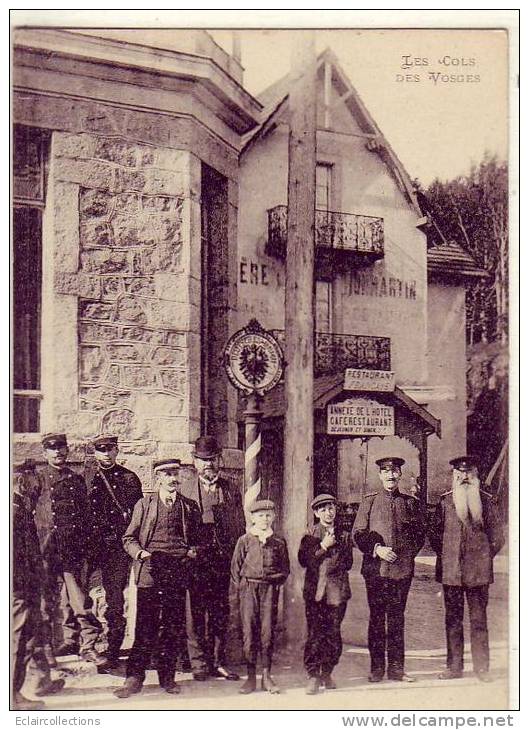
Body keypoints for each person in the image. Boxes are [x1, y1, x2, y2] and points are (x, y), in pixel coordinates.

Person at [114, 459, 202, 698]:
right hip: (151, 571)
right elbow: (128, 539)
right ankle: (134, 677)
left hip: (177, 571)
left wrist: (193, 551)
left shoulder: (189, 506)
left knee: (173, 626)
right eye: (167, 474)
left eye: (176, 474)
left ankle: (167, 677)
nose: (173, 478)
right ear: (158, 478)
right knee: (145, 625)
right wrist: (141, 553)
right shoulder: (144, 504)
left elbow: (197, 539)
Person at [429, 455, 504, 682]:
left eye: (468, 473)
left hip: (479, 573)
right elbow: (434, 534)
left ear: (475, 475)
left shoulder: (487, 501)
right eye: (459, 473)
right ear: (454, 475)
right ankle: (454, 667)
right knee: (452, 620)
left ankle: (482, 669)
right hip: (451, 572)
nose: (464, 477)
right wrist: (447, 556)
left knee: (479, 621)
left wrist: (483, 557)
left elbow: (498, 537)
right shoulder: (445, 502)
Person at [29, 434, 102, 664]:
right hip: (47, 547)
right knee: (46, 601)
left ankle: (87, 645)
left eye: (61, 448)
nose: (58, 453)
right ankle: (48, 650)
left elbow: (85, 516)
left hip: (72, 548)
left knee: (80, 599)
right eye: (52, 449)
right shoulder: (37, 480)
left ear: (67, 451)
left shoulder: (76, 480)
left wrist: (86, 546)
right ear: (45, 454)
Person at [353, 457, 426, 683]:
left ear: (400, 475)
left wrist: (405, 556)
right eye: (386, 472)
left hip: (400, 572)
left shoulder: (410, 503)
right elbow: (358, 534)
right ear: (380, 475)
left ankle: (396, 669)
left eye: (394, 472)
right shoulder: (369, 502)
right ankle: (376, 670)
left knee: (396, 619)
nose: (390, 476)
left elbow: (419, 536)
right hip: (375, 571)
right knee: (376, 619)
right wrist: (377, 549)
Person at [181, 436, 245, 681]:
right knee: (195, 614)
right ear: (195, 462)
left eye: (212, 459)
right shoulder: (186, 489)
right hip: (195, 563)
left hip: (222, 562)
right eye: (202, 460)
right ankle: (198, 663)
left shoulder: (231, 489)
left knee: (220, 613)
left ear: (219, 460)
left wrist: (235, 558)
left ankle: (219, 661)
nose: (208, 464)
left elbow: (239, 525)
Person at [86, 434, 143, 672]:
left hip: (117, 550)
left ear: (117, 451)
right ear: (95, 453)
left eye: (110, 450)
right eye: (101, 451)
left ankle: (112, 650)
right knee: (89, 599)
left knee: (115, 601)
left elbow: (139, 516)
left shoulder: (129, 479)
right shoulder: (86, 479)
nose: (106, 455)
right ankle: (91, 647)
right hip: (91, 549)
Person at [12, 464, 65, 710]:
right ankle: (11, 695)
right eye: (36, 485)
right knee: (19, 638)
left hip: (27, 585)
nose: (39, 490)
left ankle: (39, 681)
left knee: (32, 633)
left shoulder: (20, 508)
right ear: (23, 483)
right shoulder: (13, 512)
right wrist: (23, 590)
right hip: (19, 589)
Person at [229, 499, 290, 695]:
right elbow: (235, 570)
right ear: (253, 518)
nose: (264, 519)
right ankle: (250, 677)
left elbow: (285, 568)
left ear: (273, 517)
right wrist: (243, 592)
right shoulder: (245, 540)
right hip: (248, 590)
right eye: (260, 515)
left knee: (267, 632)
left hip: (269, 590)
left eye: (268, 515)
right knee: (249, 632)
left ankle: (266, 676)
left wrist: (273, 580)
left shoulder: (279, 541)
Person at [298, 494, 354, 695]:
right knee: (315, 634)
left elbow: (348, 563)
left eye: (331, 508)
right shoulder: (310, 533)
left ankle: (327, 673)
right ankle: (313, 675)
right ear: (316, 513)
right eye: (322, 510)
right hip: (315, 592)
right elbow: (304, 560)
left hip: (337, 592)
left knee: (333, 635)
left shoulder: (345, 535)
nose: (328, 513)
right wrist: (323, 546)